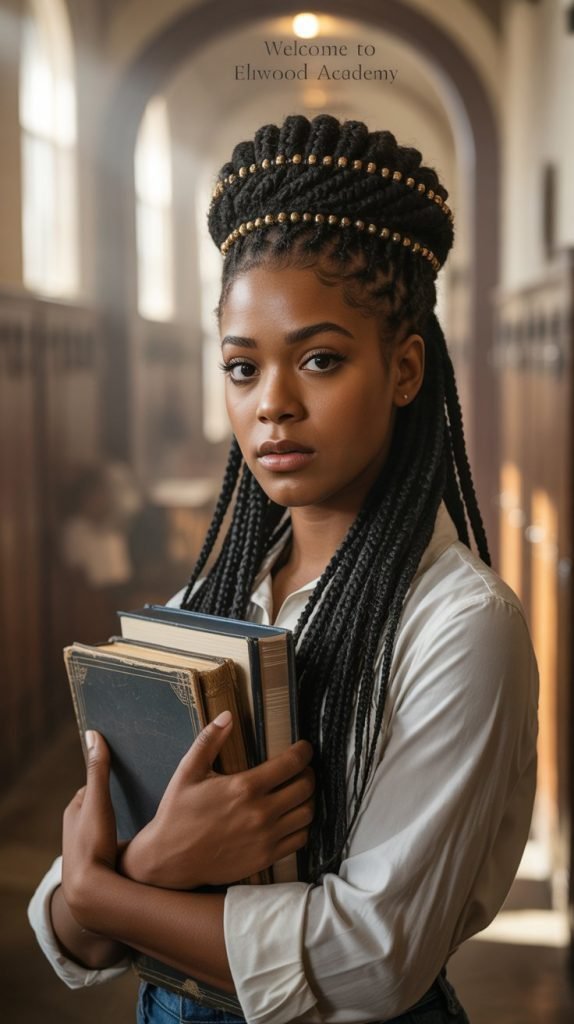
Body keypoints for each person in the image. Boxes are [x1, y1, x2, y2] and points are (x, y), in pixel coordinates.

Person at [28, 113, 539, 1024]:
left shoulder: (463, 626)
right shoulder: (208, 601)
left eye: (320, 359)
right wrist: (131, 877)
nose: (274, 406)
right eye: (241, 366)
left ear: (406, 366)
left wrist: (112, 894)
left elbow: (372, 958)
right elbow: (70, 902)